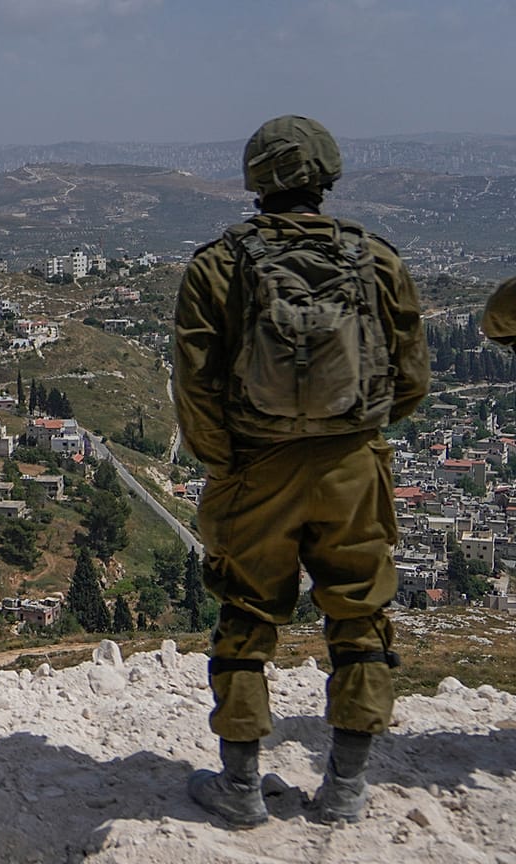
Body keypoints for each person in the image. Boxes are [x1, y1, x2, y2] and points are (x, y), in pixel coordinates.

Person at [173, 116, 429, 826]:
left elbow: (195, 389)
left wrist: (229, 464)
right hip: (353, 466)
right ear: (329, 175)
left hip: (257, 469)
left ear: (256, 179)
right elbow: (411, 379)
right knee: (359, 617)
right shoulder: (376, 258)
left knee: (246, 616)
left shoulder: (218, 265)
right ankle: (344, 788)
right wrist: (355, 433)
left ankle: (241, 788)